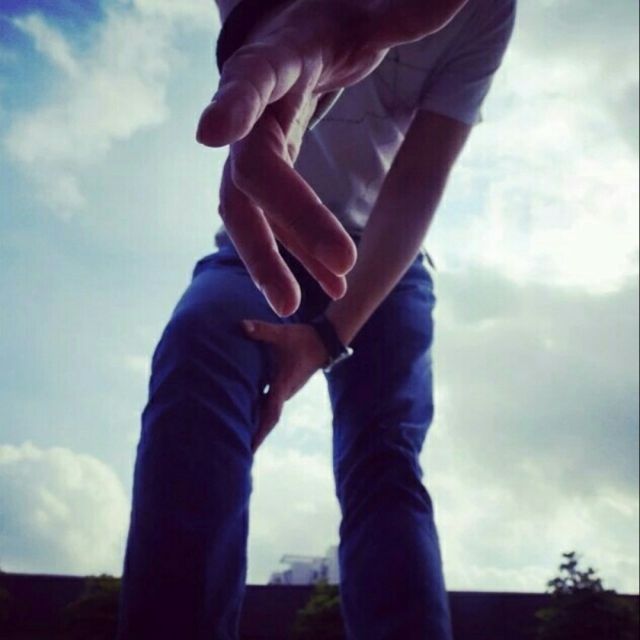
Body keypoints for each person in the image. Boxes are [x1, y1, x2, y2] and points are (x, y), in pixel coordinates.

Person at [116, 1, 516, 638]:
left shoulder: (487, 12)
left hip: (383, 257)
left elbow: (418, 180)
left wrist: (328, 335)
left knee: (384, 453)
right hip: (261, 244)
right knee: (198, 352)